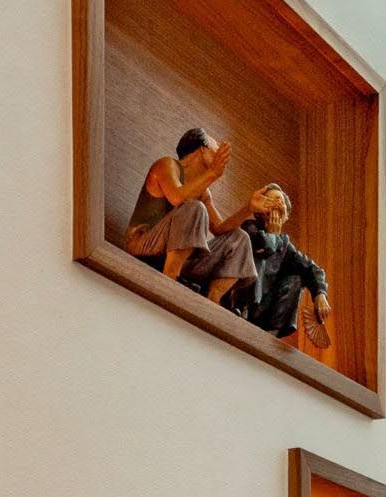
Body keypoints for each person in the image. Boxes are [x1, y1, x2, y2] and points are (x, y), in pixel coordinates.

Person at [122, 127, 259, 305]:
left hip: (179, 254)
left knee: (239, 238)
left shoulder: (203, 191)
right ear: (202, 149)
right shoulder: (167, 165)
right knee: (195, 208)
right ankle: (169, 280)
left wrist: (249, 207)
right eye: (215, 146)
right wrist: (212, 173)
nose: (219, 153)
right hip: (144, 243)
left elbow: (219, 228)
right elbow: (177, 197)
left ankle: (213, 301)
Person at [228, 182, 332, 349]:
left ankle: (273, 329)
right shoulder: (250, 228)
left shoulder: (285, 245)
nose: (278, 204)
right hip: (243, 298)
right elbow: (263, 248)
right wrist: (272, 236)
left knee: (297, 277)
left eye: (281, 201)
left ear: (286, 216)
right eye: (272, 200)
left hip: (266, 307)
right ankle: (244, 309)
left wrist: (320, 293)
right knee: (259, 258)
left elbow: (311, 268)